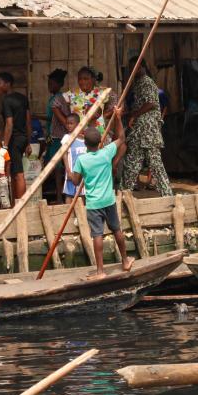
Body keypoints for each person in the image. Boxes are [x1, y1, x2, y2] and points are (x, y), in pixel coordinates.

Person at [67, 107, 133, 280]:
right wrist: (118, 117)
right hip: (109, 200)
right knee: (117, 229)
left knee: (97, 235)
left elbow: (75, 181)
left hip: (93, 204)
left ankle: (100, 271)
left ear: (85, 144)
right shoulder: (106, 153)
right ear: (99, 143)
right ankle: (125, 261)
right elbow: (121, 138)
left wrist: (67, 167)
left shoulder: (82, 160)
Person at [121, 63, 172, 197]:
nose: (132, 71)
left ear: (141, 67)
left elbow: (151, 103)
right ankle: (123, 195)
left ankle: (168, 197)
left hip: (148, 132)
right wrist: (130, 114)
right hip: (139, 133)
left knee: (155, 165)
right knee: (131, 164)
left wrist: (134, 115)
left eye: (134, 68)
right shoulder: (138, 84)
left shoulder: (147, 82)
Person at [0, 71, 30, 203]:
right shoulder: (23, 98)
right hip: (23, 139)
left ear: (7, 84)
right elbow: (28, 121)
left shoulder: (6, 100)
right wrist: (28, 142)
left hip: (14, 140)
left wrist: (4, 145)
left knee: (18, 174)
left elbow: (9, 124)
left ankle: (20, 205)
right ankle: (16, 203)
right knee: (15, 172)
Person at [58, 67, 111, 136]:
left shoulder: (102, 92)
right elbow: (54, 105)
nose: (82, 82)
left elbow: (117, 106)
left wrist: (103, 116)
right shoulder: (70, 94)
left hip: (97, 132)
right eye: (80, 79)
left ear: (93, 79)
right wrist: (67, 123)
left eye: (86, 79)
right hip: (77, 135)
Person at [43, 68, 69, 199]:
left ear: (59, 85)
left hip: (59, 137)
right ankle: (59, 194)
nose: (49, 86)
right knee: (54, 167)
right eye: (48, 84)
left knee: (57, 168)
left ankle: (60, 196)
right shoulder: (53, 98)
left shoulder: (59, 99)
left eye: (52, 84)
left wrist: (35, 117)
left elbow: (61, 117)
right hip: (52, 136)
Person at [62, 115, 88, 204]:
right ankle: (68, 214)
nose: (68, 126)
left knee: (83, 194)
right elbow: (64, 154)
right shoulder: (67, 137)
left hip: (83, 174)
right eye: (67, 124)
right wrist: (68, 171)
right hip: (72, 172)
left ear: (78, 125)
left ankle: (82, 215)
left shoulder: (85, 140)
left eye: (71, 123)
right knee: (69, 194)